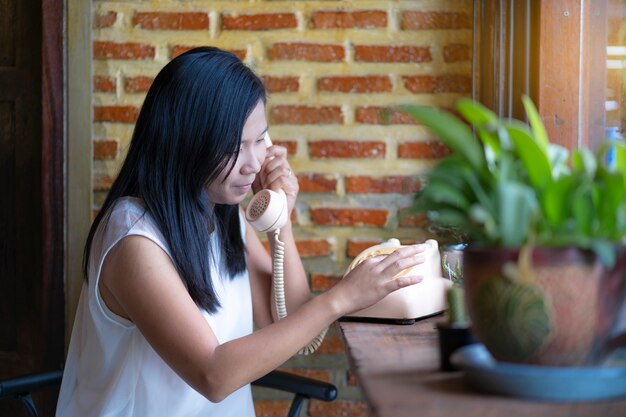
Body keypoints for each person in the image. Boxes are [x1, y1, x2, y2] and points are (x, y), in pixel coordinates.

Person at [56, 46, 426, 417]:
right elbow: (213, 374)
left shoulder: (222, 213)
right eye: (235, 147)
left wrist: (280, 219)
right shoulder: (133, 238)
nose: (253, 164)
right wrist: (343, 298)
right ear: (185, 144)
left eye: (261, 139)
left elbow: (287, 317)